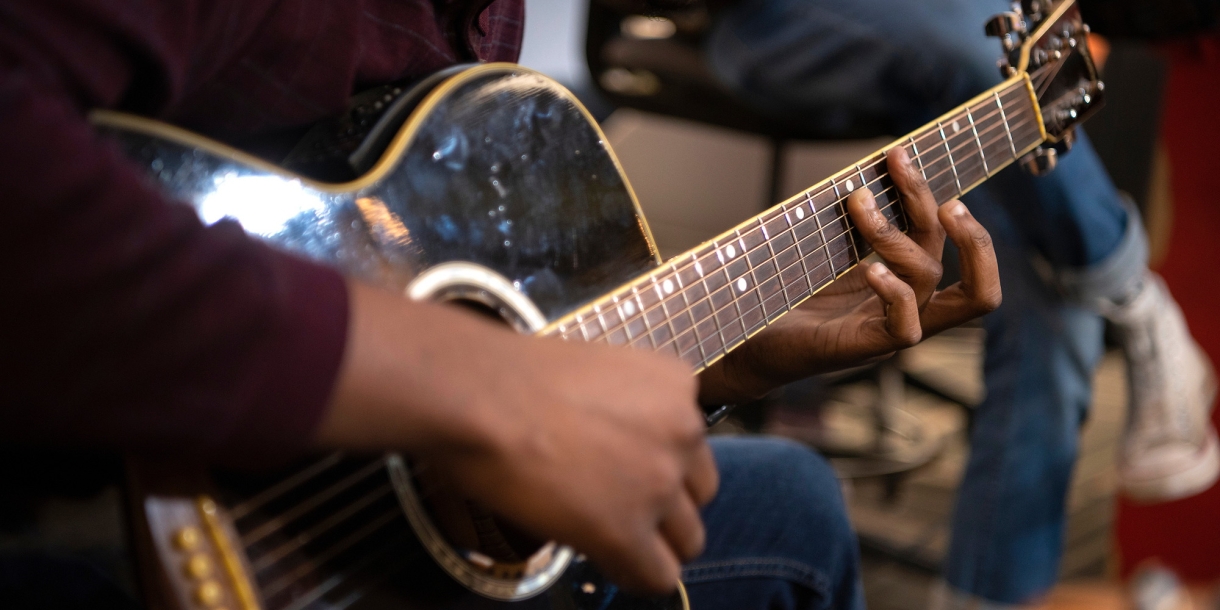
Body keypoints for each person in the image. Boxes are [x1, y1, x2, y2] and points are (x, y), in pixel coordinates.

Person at [0, 1, 1004, 609]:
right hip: (90, 525)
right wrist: (478, 387)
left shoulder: (479, 18)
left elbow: (431, 300)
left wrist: (728, 355)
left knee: (791, 503)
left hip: (337, 532)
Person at [699, 0, 1220, 607]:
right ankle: (1137, 303)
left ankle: (992, 597)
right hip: (762, 20)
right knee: (985, 53)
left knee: (1050, 289)